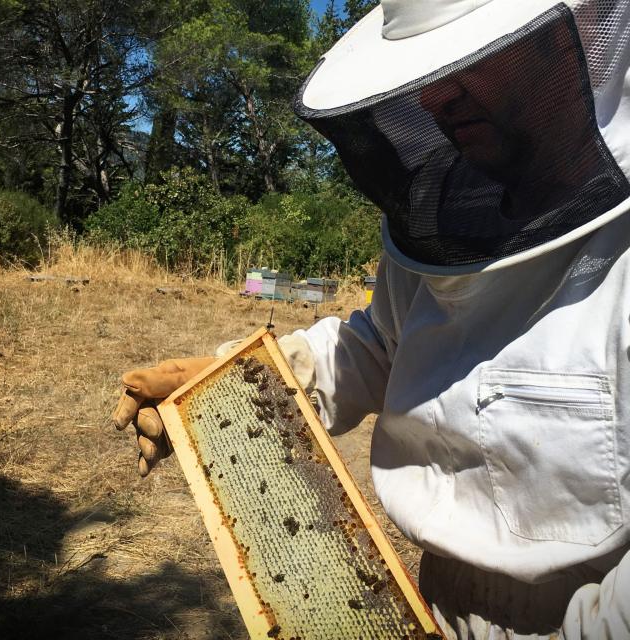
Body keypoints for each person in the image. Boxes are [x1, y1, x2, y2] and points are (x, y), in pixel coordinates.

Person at [113, 1, 630, 637]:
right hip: (434, 599)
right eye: (428, 68)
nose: (439, 95)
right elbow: (382, 347)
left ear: (572, 37)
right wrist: (234, 390)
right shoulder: (446, 222)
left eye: (476, 57)